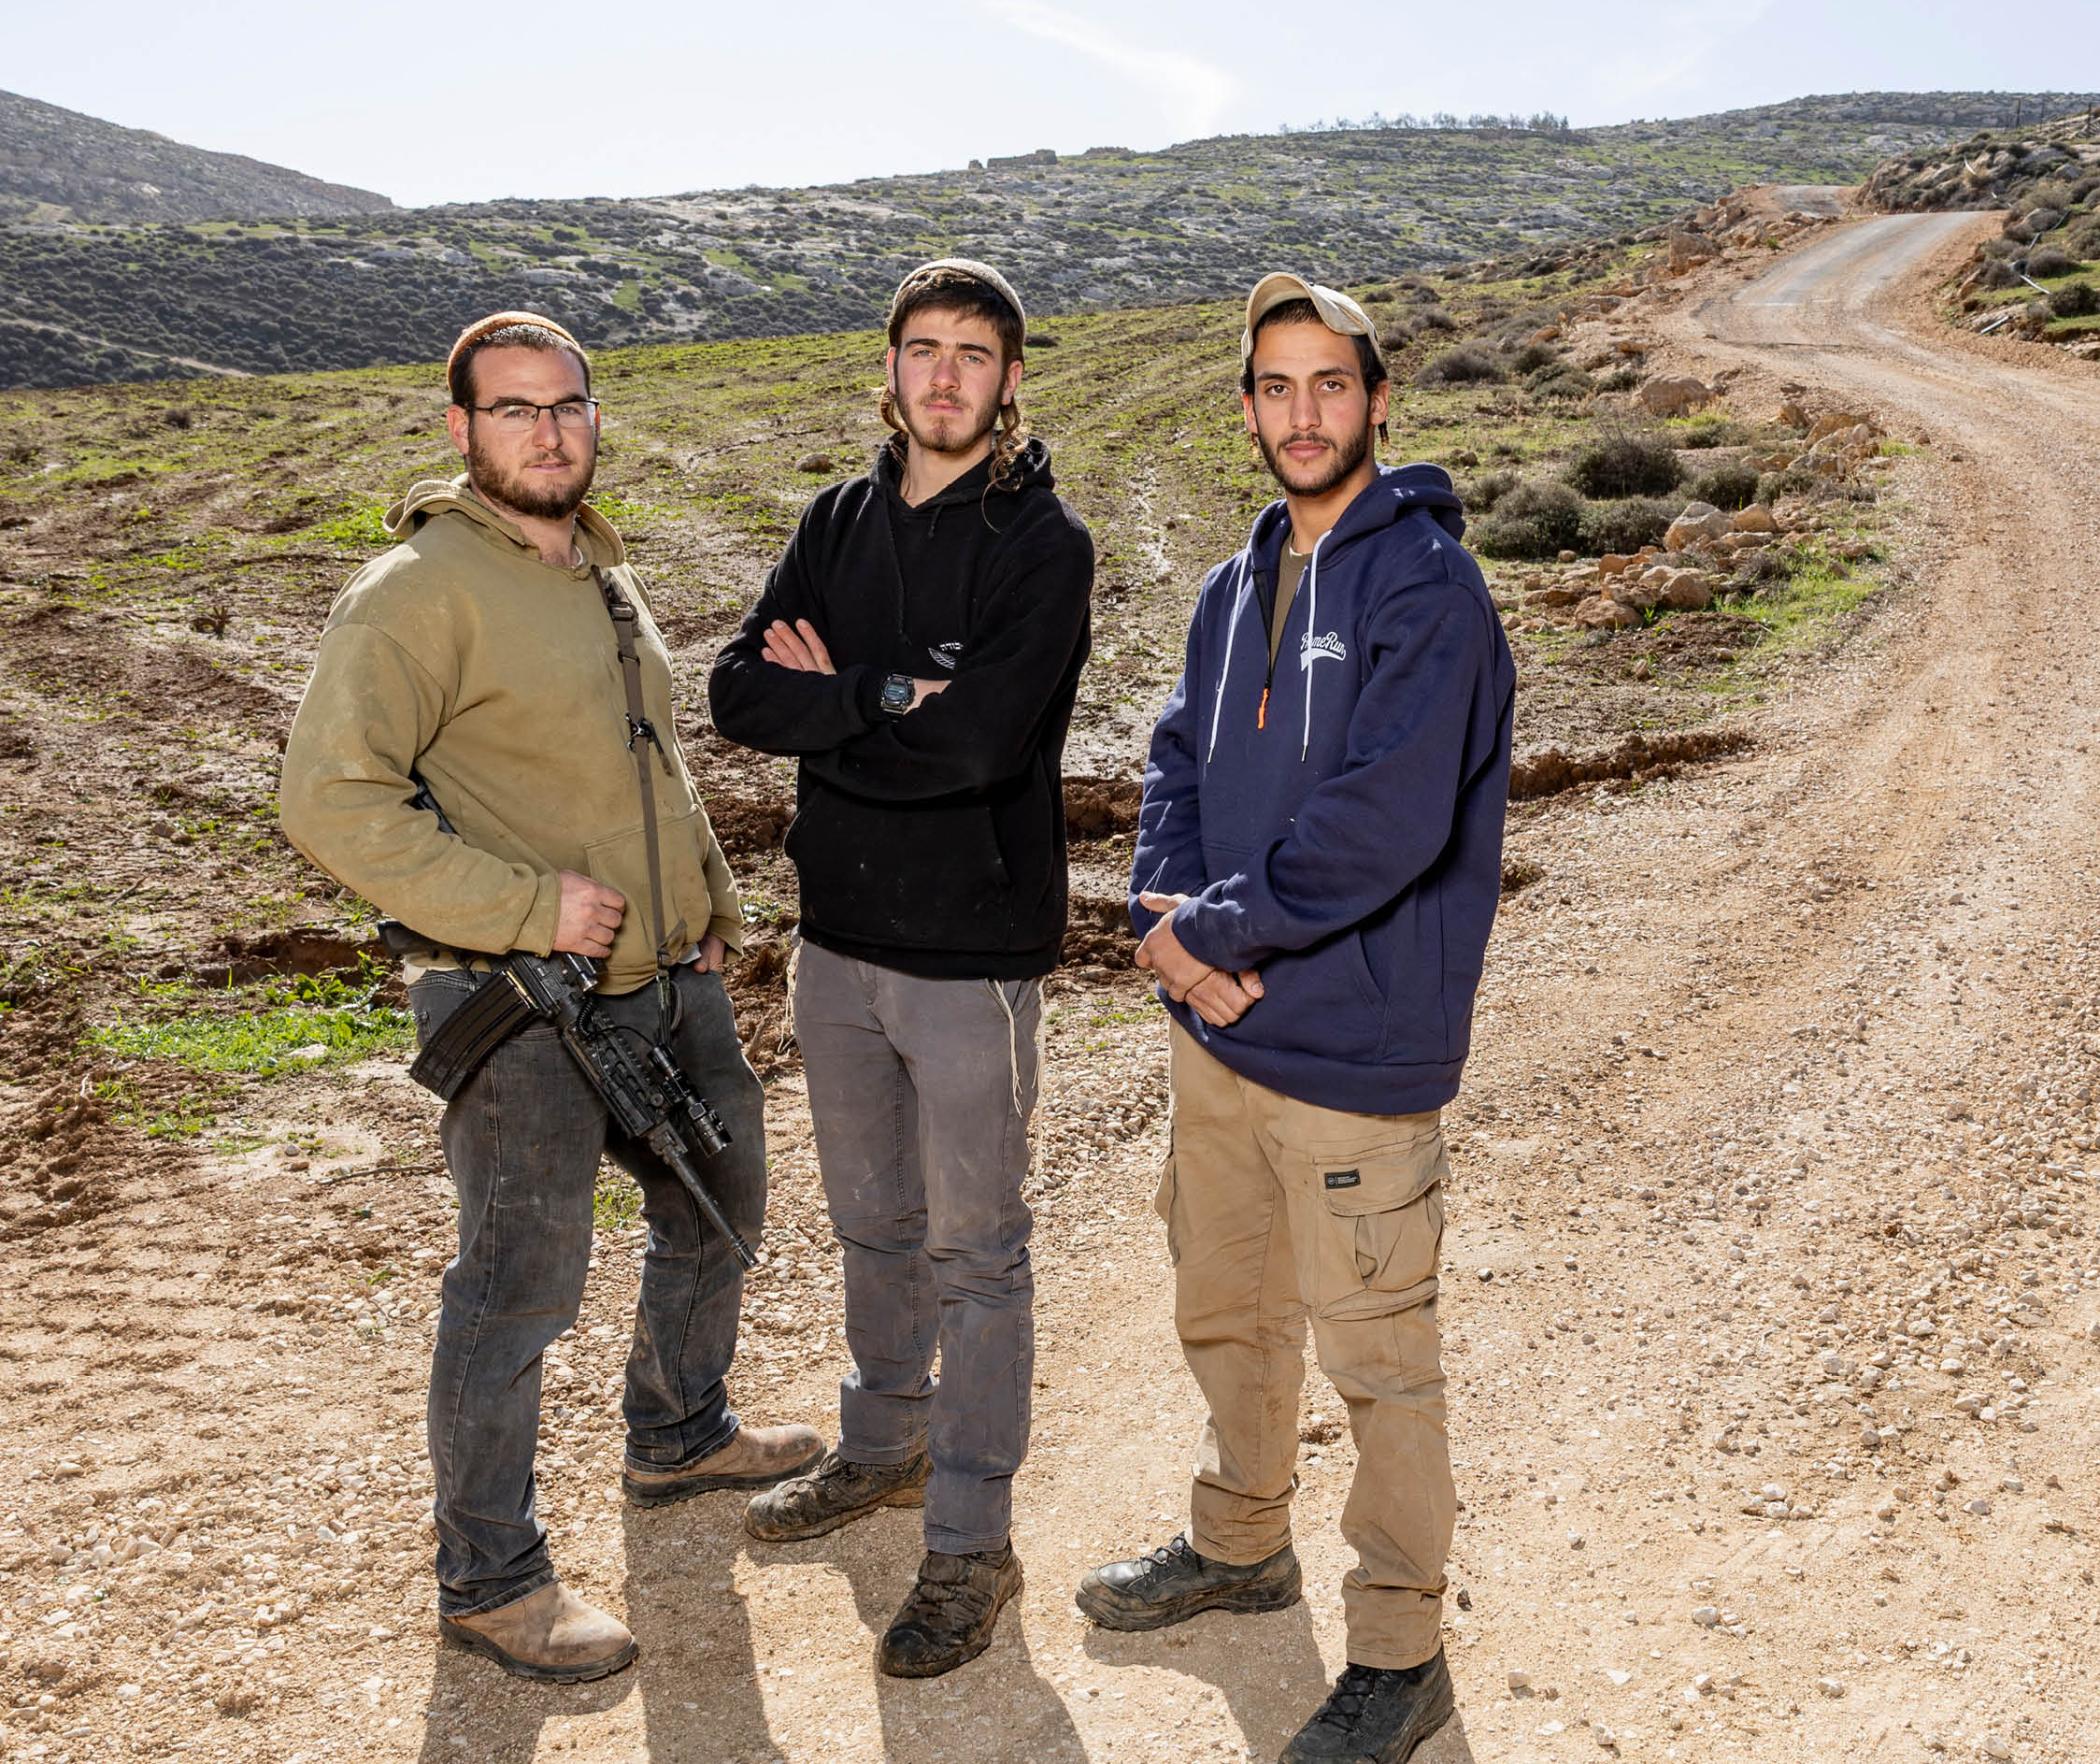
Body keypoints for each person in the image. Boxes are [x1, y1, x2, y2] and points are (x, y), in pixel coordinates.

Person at [279, 311, 818, 1684]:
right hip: (519, 1002)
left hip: (659, 976)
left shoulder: (597, 572)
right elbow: (327, 795)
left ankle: (679, 1428)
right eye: (514, 409)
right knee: (518, 1288)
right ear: (462, 429)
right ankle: (490, 1575)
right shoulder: (415, 588)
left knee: (724, 1199)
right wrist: (528, 910)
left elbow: (647, 765)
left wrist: (706, 912)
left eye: (565, 404)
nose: (547, 430)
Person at [1075, 272, 1515, 1764]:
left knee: (1377, 1356)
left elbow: (1382, 820)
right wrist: (1164, 917)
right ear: (1250, 405)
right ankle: (1239, 1542)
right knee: (1227, 1308)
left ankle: (1401, 1648)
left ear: (1378, 398)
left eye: (1331, 382)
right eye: (1276, 385)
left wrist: (1211, 933)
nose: (1303, 411)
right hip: (1217, 1036)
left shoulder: (1427, 587)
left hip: (1352, 1049)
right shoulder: (1232, 579)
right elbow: (1179, 763)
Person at [708, 260, 1094, 1679]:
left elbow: (980, 745)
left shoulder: (1043, 544)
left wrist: (834, 707)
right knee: (872, 1223)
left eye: (973, 354)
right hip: (837, 945)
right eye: (922, 349)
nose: (944, 377)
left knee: (975, 1252)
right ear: (889, 365)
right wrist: (876, 691)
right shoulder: (837, 518)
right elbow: (739, 687)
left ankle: (971, 1537)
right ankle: (880, 1446)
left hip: (972, 955)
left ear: (1007, 376)